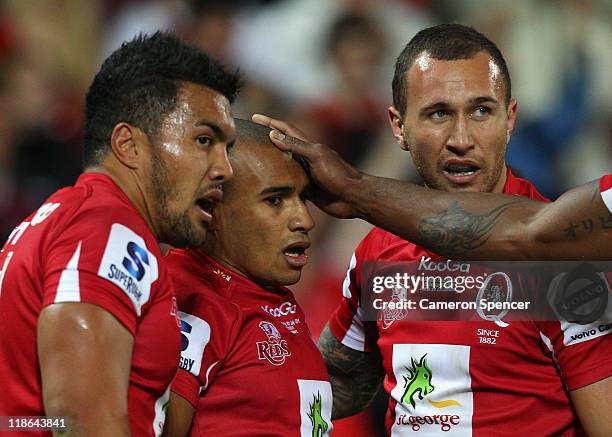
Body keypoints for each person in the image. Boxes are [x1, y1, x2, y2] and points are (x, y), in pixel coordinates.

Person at [254, 24, 611, 436]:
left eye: (481, 111)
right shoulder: (377, 253)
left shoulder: (564, 265)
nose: (462, 138)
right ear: (398, 126)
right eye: (439, 113)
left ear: (509, 119)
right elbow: (337, 383)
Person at [0, 32, 240, 436]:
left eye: (226, 147)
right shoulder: (106, 230)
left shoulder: (66, 218)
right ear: (128, 145)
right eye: (203, 140)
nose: (224, 169)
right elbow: (79, 419)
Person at [162, 119, 332, 437]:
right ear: (211, 208)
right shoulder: (192, 298)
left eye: (303, 197)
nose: (305, 220)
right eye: (275, 200)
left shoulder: (265, 295)